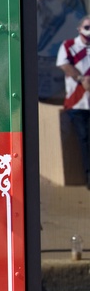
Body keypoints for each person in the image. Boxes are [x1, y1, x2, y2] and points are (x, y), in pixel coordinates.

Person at [57, 14, 90, 189]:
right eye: (87, 27)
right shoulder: (69, 46)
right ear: (79, 29)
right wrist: (81, 79)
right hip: (77, 104)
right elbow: (64, 65)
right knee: (84, 140)